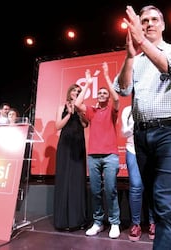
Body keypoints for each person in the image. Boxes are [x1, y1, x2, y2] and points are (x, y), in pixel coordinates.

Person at [113, 5, 171, 249]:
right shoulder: (135, 59)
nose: (148, 23)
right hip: (142, 134)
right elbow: (123, 89)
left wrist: (141, 43)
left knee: (165, 201)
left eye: (154, 19)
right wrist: (129, 56)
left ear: (163, 24)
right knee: (157, 202)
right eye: (144, 20)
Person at [75, 62, 121, 239]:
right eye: (100, 93)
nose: (102, 95)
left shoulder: (112, 110)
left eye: (105, 93)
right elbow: (78, 103)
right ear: (97, 96)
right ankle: (98, 222)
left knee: (110, 190)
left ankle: (114, 222)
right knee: (95, 191)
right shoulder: (92, 111)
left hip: (110, 156)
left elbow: (117, 99)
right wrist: (87, 82)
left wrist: (107, 76)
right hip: (93, 156)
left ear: (107, 97)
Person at [53, 84, 88, 231]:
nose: (76, 92)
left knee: (76, 180)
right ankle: (62, 221)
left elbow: (85, 124)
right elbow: (57, 126)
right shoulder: (61, 107)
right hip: (65, 146)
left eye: (79, 91)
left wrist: (78, 111)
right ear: (69, 92)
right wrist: (68, 113)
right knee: (64, 179)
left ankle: (77, 220)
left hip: (78, 145)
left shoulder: (83, 107)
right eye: (74, 90)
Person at [120, 105, 155, 242]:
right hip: (132, 149)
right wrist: (135, 127)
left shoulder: (153, 105)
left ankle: (153, 222)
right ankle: (135, 224)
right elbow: (124, 132)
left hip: (150, 150)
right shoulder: (127, 109)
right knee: (135, 186)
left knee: (151, 186)